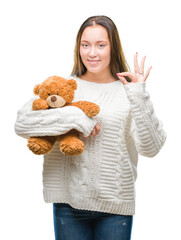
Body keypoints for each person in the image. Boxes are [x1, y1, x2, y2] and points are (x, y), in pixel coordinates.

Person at [15, 15, 167, 240]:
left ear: (112, 47)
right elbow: (22, 123)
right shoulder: (62, 88)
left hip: (115, 208)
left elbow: (151, 148)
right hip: (68, 204)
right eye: (85, 45)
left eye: (100, 45)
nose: (92, 53)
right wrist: (79, 118)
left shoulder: (130, 93)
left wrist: (139, 94)